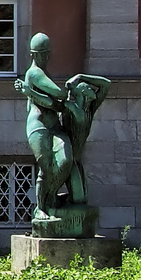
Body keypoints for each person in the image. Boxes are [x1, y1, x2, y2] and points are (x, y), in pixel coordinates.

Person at [13, 33, 111, 233]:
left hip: (54, 127)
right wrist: (41, 93)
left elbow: (55, 104)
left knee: (65, 161)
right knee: (46, 168)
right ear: (34, 54)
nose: (46, 57)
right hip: (38, 127)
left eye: (47, 53)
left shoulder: (84, 107)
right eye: (42, 54)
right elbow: (57, 95)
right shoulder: (33, 74)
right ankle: (41, 208)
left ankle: (53, 199)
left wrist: (32, 93)